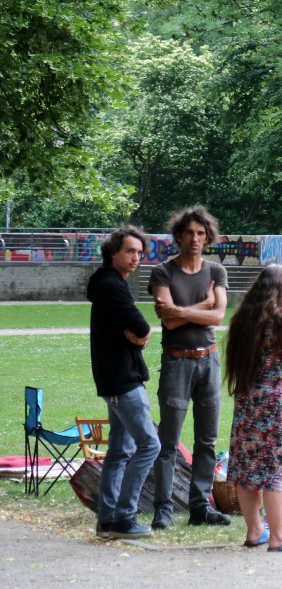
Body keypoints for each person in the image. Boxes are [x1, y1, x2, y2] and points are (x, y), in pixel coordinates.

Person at [148, 206, 230, 528]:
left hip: (208, 360)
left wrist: (187, 311)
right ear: (178, 236)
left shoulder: (216, 272)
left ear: (207, 237)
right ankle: (163, 510)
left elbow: (219, 318)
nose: (195, 239)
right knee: (168, 442)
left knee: (206, 441)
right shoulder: (162, 272)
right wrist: (204, 305)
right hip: (176, 362)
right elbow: (167, 320)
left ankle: (200, 508)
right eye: (189, 233)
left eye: (201, 233)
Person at [224, 264, 282, 551]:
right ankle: (278, 536)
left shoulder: (244, 318)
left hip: (248, 402)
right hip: (277, 406)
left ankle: (254, 531)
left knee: (247, 467)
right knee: (277, 468)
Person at [88, 226, 161, 539]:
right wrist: (140, 337)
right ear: (113, 252)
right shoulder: (111, 286)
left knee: (119, 450)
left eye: (139, 253)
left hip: (113, 379)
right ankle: (123, 517)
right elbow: (141, 325)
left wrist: (136, 336)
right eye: (130, 251)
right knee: (149, 444)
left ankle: (107, 520)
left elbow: (133, 328)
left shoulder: (109, 284)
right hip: (121, 381)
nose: (136, 258)